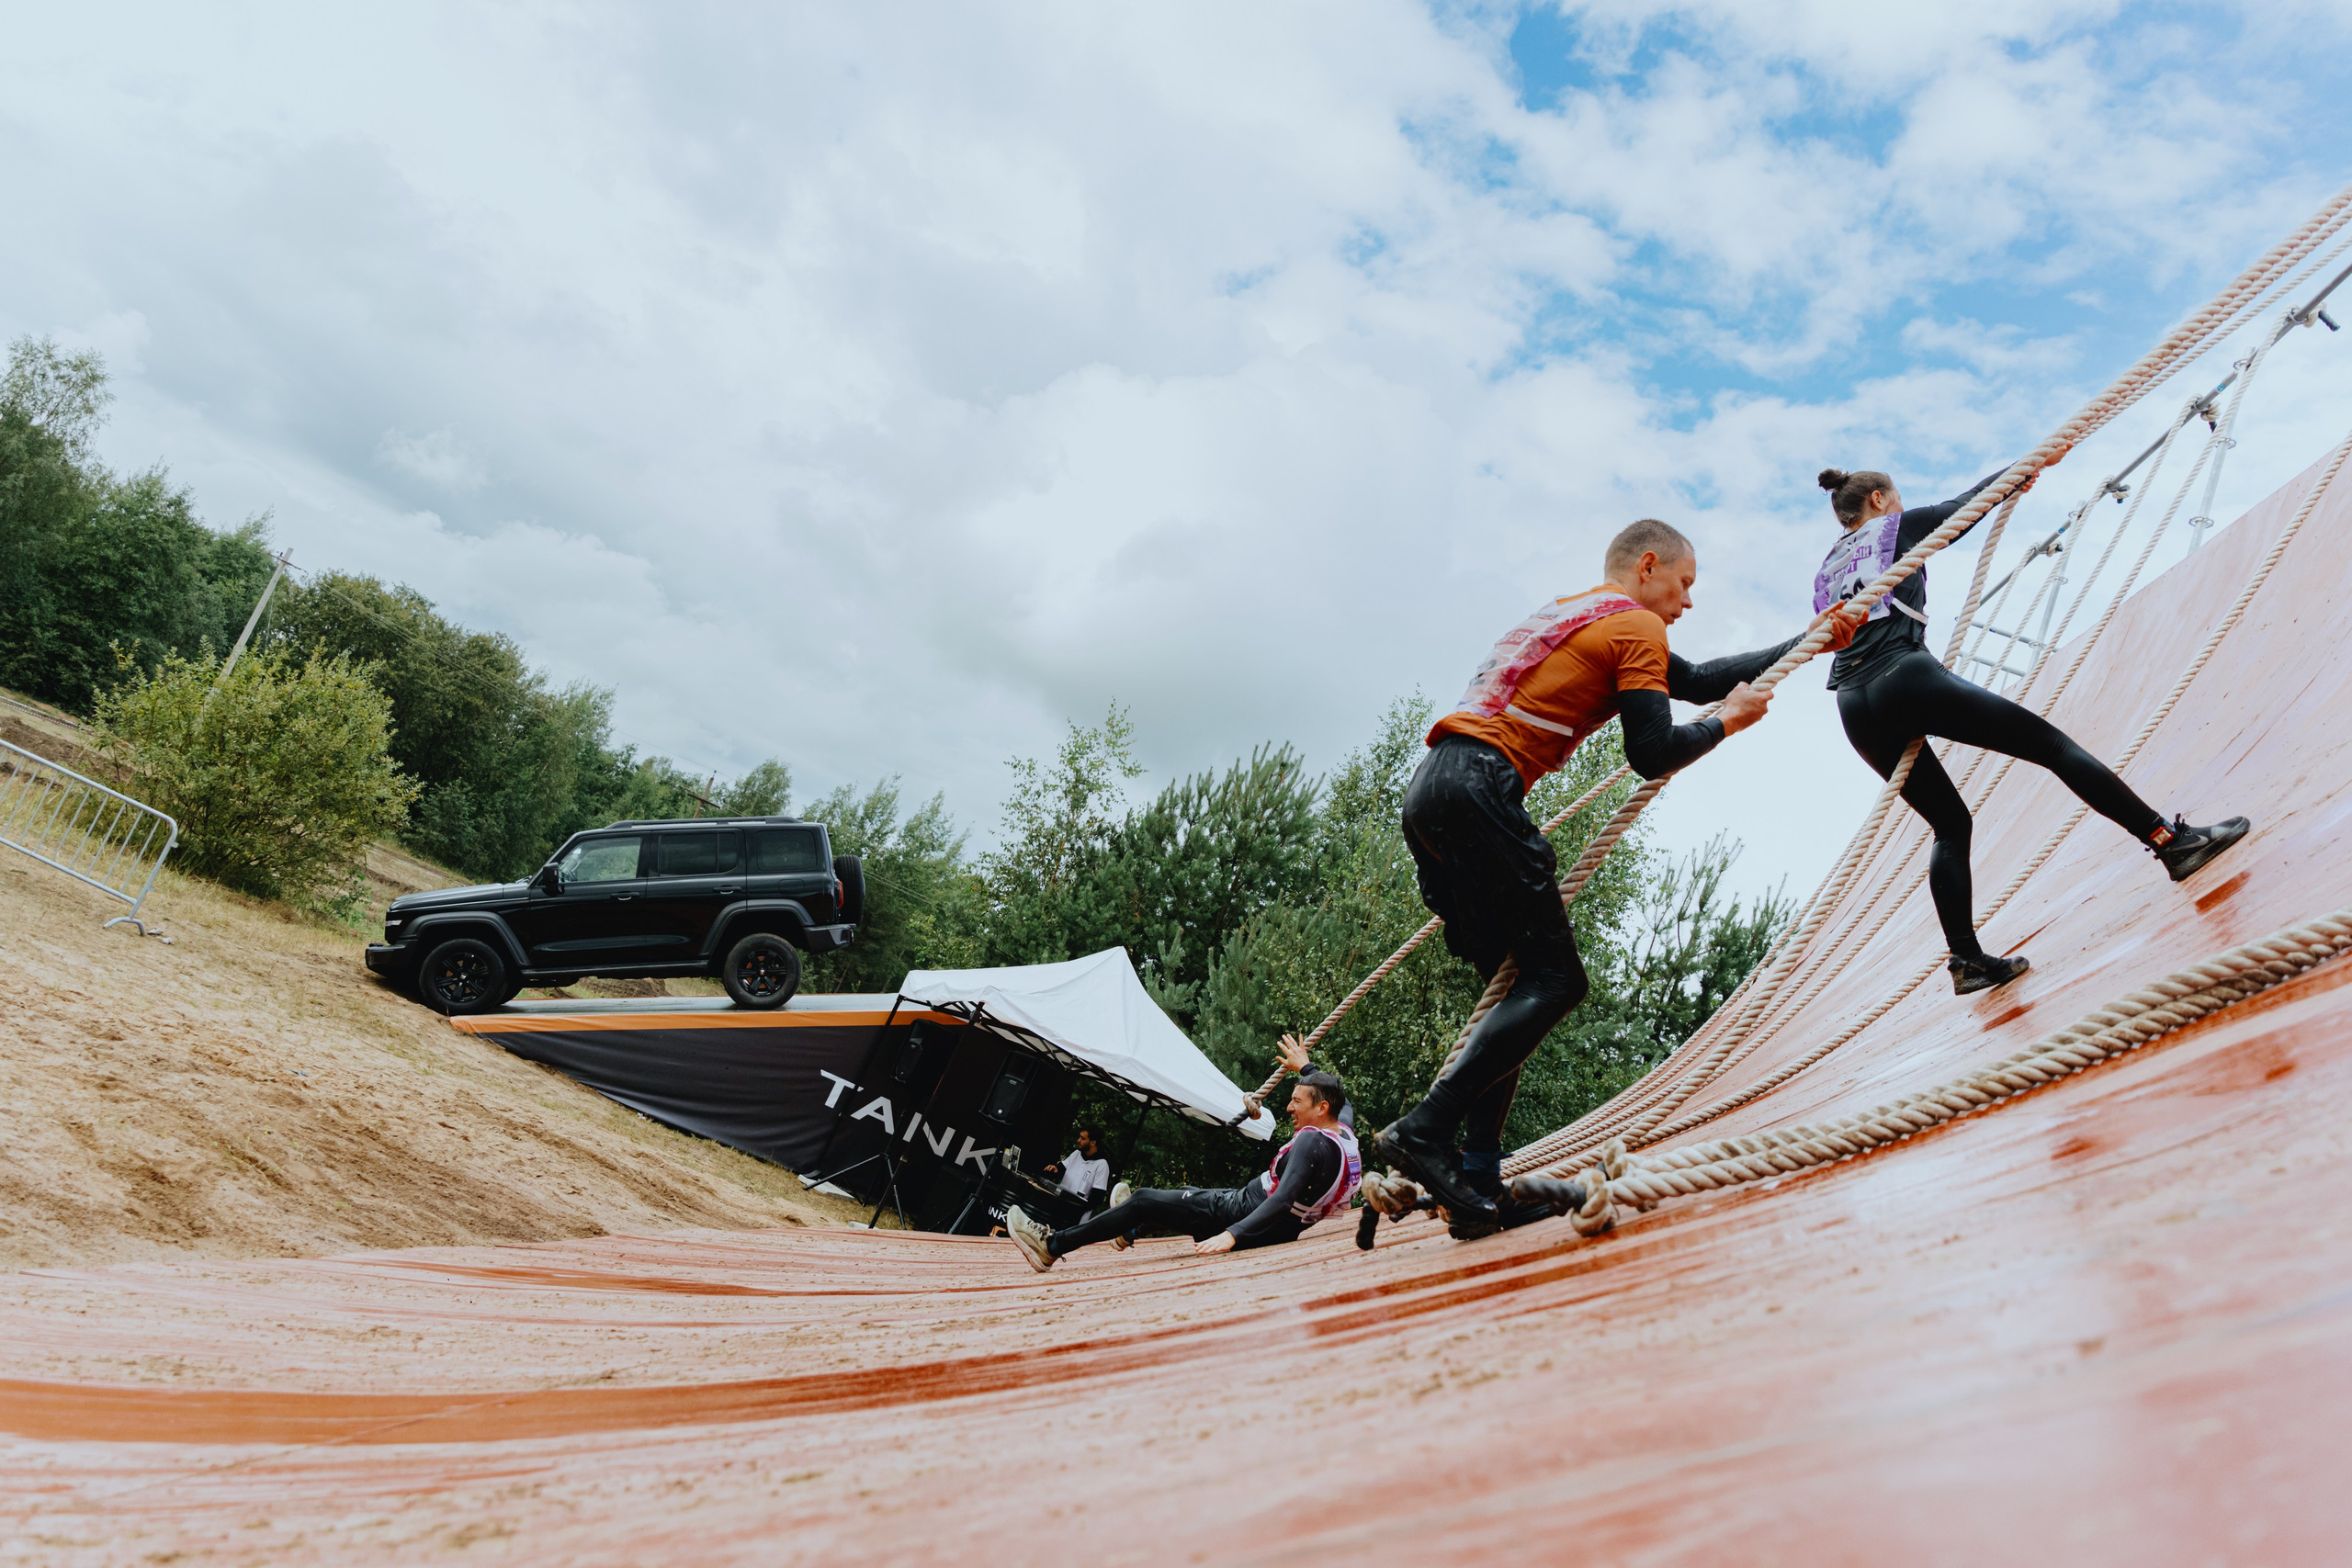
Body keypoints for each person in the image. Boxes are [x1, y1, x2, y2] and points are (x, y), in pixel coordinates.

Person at [1374, 517, 1867, 1231]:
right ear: (1647, 565)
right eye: (1685, 582)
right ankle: (1426, 1130)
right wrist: (1728, 724)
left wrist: (1811, 637)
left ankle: (1475, 1185)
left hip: (1431, 795)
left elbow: (1693, 679)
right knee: (1555, 980)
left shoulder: (1578, 613)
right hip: (1482, 788)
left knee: (1516, 987)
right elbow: (1652, 749)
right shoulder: (1636, 623)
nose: (1688, 602)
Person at [1813, 465, 2249, 996]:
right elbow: (1964, 507)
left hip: (1854, 705)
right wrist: (2020, 472)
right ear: (1879, 499)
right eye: (1899, 499)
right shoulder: (1892, 528)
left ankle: (1968, 962)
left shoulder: (1828, 565)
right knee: (2052, 746)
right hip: (1904, 676)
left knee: (1949, 825)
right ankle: (2171, 843)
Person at [1004, 1068, 1361, 1270]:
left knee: (1145, 1199)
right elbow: (1346, 1106)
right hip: (1262, 1216)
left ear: (1320, 1108)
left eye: (1297, 1101)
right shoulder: (1343, 1136)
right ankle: (1129, 1230)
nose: (1288, 1107)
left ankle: (1050, 1244)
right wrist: (1308, 1068)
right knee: (1187, 1203)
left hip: (1248, 1214)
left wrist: (1233, 1233)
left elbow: (1282, 1199)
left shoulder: (1310, 1144)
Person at [1042, 1127, 1110, 1214]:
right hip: (1057, 1206)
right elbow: (1060, 1171)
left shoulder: (1101, 1165)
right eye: (1079, 1137)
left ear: (1093, 1142)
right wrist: (1055, 1170)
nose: (1078, 1140)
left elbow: (1097, 1197)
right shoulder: (1076, 1154)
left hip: (1075, 1217)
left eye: (1083, 1138)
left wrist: (1078, 1209)